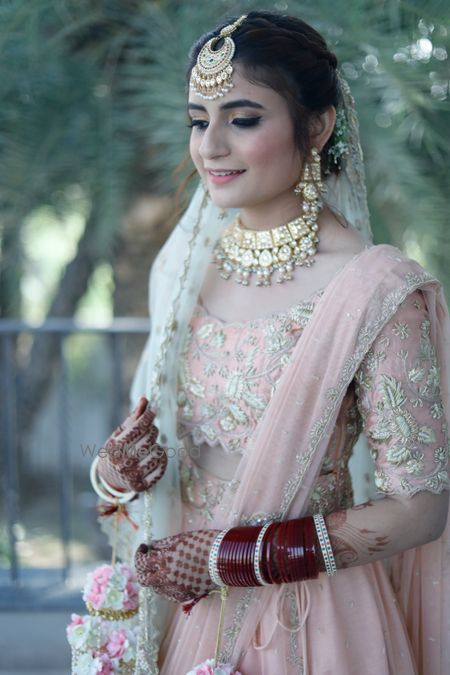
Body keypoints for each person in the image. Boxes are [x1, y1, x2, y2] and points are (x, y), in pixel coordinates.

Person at [93, 10, 450, 675]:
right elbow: (162, 444)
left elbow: (422, 508)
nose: (210, 146)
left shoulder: (374, 287)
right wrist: (116, 469)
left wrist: (236, 557)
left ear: (316, 127)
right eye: (199, 120)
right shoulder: (183, 268)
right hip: (189, 612)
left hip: (315, 623)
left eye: (243, 118)